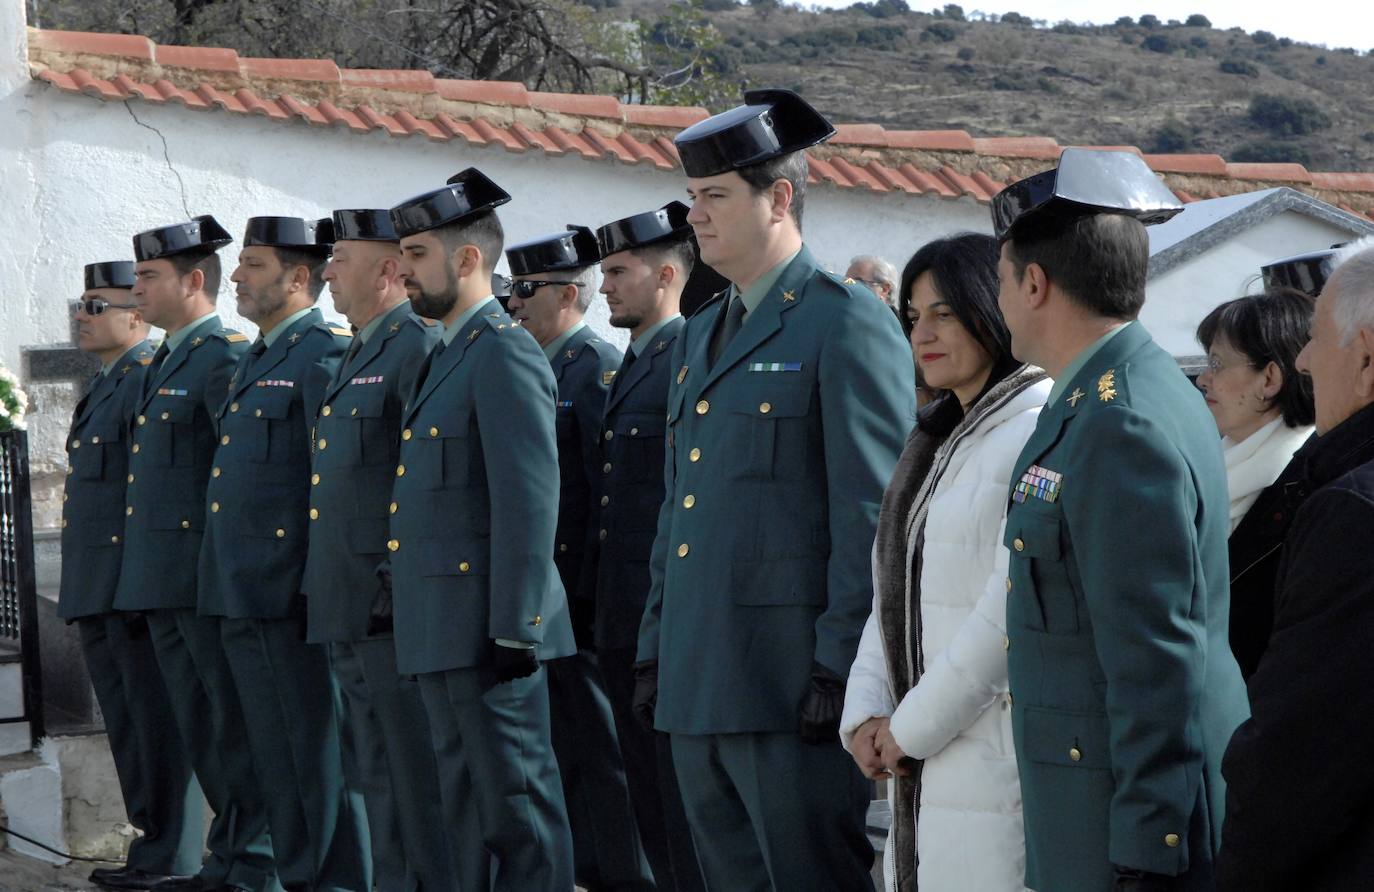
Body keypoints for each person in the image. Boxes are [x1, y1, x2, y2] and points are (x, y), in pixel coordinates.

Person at [633, 89, 917, 891]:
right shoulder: (697, 335)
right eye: (694, 198)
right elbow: (678, 507)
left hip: (788, 683)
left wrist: (840, 671)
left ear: (780, 198)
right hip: (700, 677)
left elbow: (871, 516)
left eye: (715, 197)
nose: (696, 216)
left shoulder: (846, 321)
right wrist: (658, 648)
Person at [993, 148, 1249, 891]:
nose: (1000, 300)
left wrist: (1149, 837)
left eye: (1002, 281)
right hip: (1090, 793)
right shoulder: (1115, 392)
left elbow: (1155, 657)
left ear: (1034, 284)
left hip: (1116, 810)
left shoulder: (1116, 420)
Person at [387, 168, 576, 892]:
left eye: (418, 253)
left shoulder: (503, 350)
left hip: (489, 631)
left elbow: (529, 501)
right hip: (442, 623)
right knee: (465, 807)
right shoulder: (448, 352)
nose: (404, 269)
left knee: (518, 810)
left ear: (468, 259)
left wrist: (516, 628)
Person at [841, 233, 1047, 892]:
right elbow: (893, 589)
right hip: (922, 753)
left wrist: (909, 727)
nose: (921, 334)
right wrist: (868, 710)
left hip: (991, 752)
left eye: (944, 313)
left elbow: (1005, 612)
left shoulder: (1034, 426)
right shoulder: (942, 435)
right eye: (913, 317)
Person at [197, 216, 369, 892]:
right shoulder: (261, 356)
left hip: (287, 592)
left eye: (255, 265)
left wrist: (312, 584)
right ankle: (300, 876)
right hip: (243, 589)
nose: (235, 276)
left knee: (315, 760)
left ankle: (338, 881)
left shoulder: (321, 352)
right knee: (276, 761)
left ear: (301, 278)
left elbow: (331, 485)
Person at [114, 217, 279, 892]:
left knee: (232, 730)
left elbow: (235, 477)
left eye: (149, 277)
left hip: (202, 579)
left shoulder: (222, 356)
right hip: (164, 581)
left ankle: (256, 862)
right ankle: (228, 858)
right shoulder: (168, 357)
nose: (136, 290)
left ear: (194, 281)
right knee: (205, 733)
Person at [1216, 239, 1374, 892]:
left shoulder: (1351, 512)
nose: (1304, 359)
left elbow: (1296, 758)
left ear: (1366, 357)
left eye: (1314, 337)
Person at [303, 208, 452, 892]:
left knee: (414, 776)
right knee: (375, 771)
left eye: (340, 260)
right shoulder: (361, 347)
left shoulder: (414, 348)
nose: (326, 271)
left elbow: (416, 480)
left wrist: (395, 579)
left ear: (387, 271)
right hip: (346, 598)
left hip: (388, 603)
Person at [505, 226, 653, 891]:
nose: (514, 304)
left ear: (570, 294)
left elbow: (604, 490)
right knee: (567, 747)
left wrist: (589, 593)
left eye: (527, 291)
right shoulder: (539, 364)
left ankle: (626, 875)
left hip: (583, 597)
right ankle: (589, 870)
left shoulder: (591, 366)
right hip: (552, 599)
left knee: (603, 754)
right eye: (511, 291)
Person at [59, 263, 202, 892]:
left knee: (157, 726)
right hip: (100, 585)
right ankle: (151, 845)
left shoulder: (144, 377)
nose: (83, 316)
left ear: (136, 317)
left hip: (130, 584)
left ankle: (175, 854)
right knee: (128, 725)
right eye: (81, 305)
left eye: (97, 304)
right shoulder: (110, 381)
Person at [593, 202, 704, 892]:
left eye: (617, 271)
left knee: (675, 805)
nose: (604, 285)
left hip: (658, 620)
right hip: (620, 614)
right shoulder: (636, 362)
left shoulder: (684, 357)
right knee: (643, 795)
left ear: (666, 274)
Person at [1194, 291, 1315, 679]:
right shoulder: (1211, 463)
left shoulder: (1307, 486)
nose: (1202, 378)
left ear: (1270, 378)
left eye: (1217, 363)